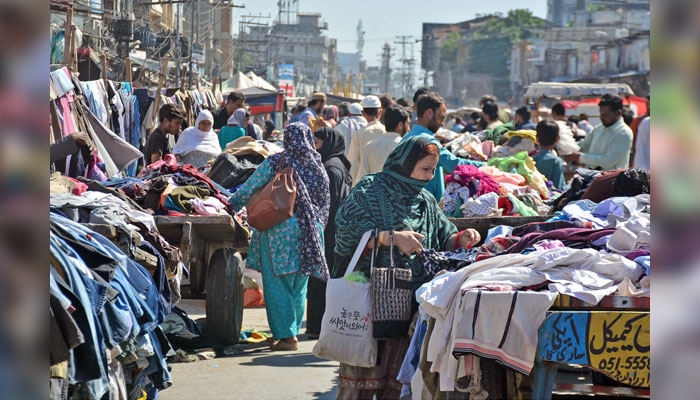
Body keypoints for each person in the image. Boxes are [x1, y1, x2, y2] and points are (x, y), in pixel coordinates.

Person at [333, 136, 481, 399]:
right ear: (406, 162)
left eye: (434, 170)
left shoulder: (424, 199)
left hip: (409, 308)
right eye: (425, 168)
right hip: (368, 302)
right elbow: (345, 230)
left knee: (398, 383)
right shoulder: (370, 188)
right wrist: (391, 237)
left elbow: (442, 236)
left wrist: (461, 238)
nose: (429, 176)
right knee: (358, 384)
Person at [229, 122, 330, 351]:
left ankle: (286, 337)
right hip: (312, 233)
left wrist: (228, 205)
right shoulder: (317, 165)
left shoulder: (276, 162)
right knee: (298, 284)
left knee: (278, 284)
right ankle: (291, 330)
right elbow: (325, 200)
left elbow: (248, 189)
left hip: (280, 230)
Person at [306, 127, 352, 338]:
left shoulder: (331, 168)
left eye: (317, 143)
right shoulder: (336, 164)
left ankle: (318, 327)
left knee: (320, 281)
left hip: (329, 231)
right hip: (333, 231)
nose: (314, 147)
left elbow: (330, 204)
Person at [400, 92, 483, 202]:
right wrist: (489, 165)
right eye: (441, 117)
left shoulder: (406, 138)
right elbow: (456, 166)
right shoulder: (428, 141)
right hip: (425, 207)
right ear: (429, 113)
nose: (443, 123)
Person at [562, 94, 633, 171]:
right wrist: (567, 146)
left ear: (618, 113)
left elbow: (608, 161)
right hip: (592, 177)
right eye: (601, 114)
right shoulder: (598, 129)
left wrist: (580, 157)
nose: (602, 118)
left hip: (611, 181)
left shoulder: (624, 133)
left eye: (605, 115)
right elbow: (584, 145)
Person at [357, 104, 411, 178]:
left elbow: (362, 177)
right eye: (407, 124)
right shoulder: (407, 146)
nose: (409, 129)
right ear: (400, 125)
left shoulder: (370, 145)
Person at [349, 96, 386, 185]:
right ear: (380, 111)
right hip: (384, 183)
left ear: (363, 113)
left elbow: (353, 163)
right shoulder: (386, 131)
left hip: (363, 184)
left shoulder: (359, 134)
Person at [533, 119, 567, 190]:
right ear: (557, 139)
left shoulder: (531, 160)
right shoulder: (556, 161)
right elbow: (559, 188)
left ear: (537, 139)